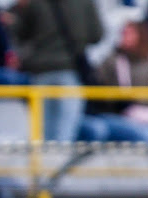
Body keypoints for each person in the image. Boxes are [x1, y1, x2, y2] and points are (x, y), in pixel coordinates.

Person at [10, 0, 103, 141]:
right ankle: (58, 162)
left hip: (41, 71)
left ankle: (43, 163)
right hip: (70, 70)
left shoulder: (37, 3)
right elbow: (96, 35)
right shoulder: (85, 3)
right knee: (64, 134)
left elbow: (21, 33)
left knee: (41, 133)